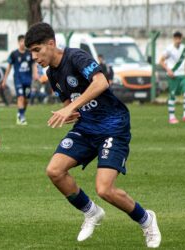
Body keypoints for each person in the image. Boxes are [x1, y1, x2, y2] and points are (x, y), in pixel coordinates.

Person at [24, 22, 161, 248]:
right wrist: (70, 111)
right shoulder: (52, 74)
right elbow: (71, 104)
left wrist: (70, 107)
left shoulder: (76, 56)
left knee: (105, 189)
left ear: (51, 44)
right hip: (87, 127)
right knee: (54, 171)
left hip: (113, 126)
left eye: (37, 50)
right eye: (31, 52)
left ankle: (146, 219)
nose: (35, 57)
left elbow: (101, 82)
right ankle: (91, 212)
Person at [159, 31, 185, 124]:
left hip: (182, 76)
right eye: (177, 38)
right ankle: (171, 117)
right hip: (173, 76)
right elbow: (161, 61)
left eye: (180, 38)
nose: (179, 40)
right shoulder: (169, 49)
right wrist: (168, 70)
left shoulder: (184, 48)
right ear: (174, 39)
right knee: (172, 96)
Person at [2, 35, 38, 125]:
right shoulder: (14, 54)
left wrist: (36, 74)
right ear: (18, 42)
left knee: (26, 100)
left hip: (28, 80)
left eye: (24, 41)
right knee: (20, 97)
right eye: (21, 41)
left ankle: (20, 113)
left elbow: (34, 64)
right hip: (18, 79)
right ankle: (22, 117)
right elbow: (9, 67)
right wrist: (4, 80)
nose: (23, 43)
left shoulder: (29, 53)